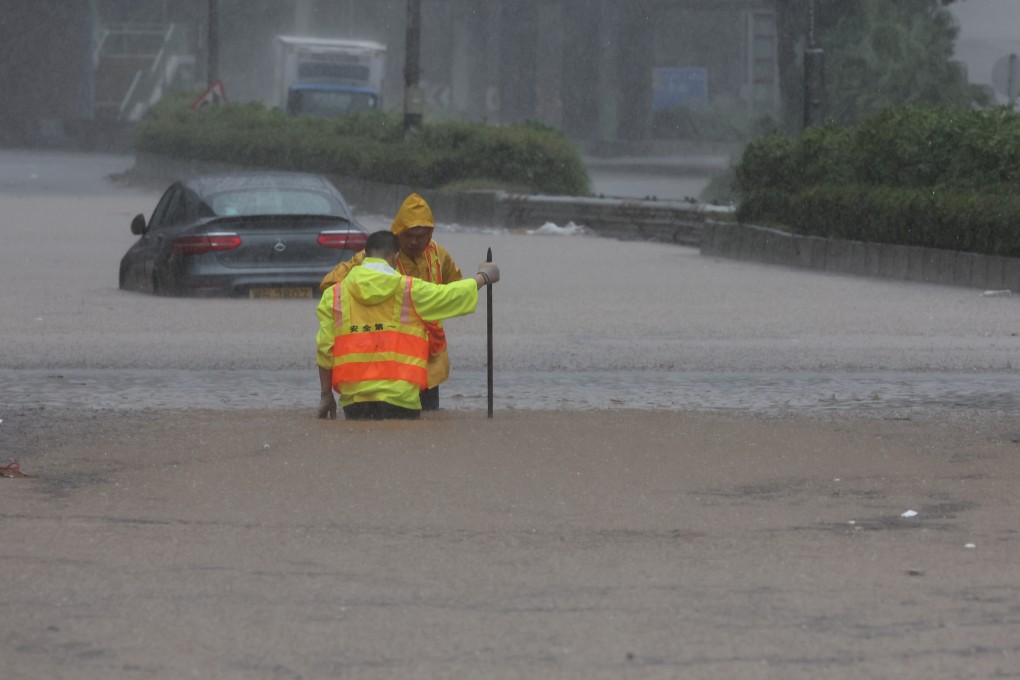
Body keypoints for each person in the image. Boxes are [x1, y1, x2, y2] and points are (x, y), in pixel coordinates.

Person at [316, 230, 500, 420]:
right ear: (396, 256)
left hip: (354, 401)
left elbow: (325, 350)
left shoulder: (334, 295)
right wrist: (484, 277)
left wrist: (326, 395)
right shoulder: (410, 289)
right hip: (400, 399)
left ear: (365, 255)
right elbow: (450, 295)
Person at [320, 193, 462, 411]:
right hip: (392, 357)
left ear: (430, 234)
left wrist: (479, 282)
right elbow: (330, 285)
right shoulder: (373, 258)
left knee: (429, 422)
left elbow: (455, 290)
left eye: (422, 235)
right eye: (409, 235)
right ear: (398, 233)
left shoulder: (439, 256)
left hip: (430, 357)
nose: (415, 241)